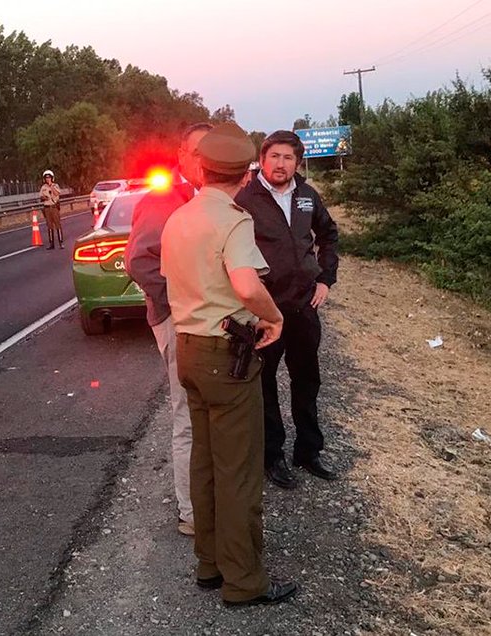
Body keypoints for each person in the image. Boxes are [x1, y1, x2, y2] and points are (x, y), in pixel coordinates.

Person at [161, 121, 298, 607]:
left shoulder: (178, 218)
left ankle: (210, 563)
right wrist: (274, 315)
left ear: (202, 169)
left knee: (205, 464)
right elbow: (244, 284)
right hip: (228, 356)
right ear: (245, 175)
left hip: (190, 352)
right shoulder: (233, 221)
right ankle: (244, 581)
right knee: (239, 470)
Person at [235, 130, 339, 489]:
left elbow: (329, 235)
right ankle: (273, 457)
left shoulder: (307, 196)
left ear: (297, 162)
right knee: (264, 385)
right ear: (263, 159)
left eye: (289, 158)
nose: (281, 164)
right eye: (275, 156)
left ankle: (308, 452)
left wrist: (325, 279)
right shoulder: (244, 198)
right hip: (264, 311)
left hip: (303, 307)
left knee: (307, 380)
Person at [125, 122, 213, 537]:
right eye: (196, 151)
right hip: (180, 321)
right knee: (187, 416)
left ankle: (210, 498)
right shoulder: (164, 200)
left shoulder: (212, 198)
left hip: (208, 321)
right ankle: (192, 513)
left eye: (210, 151)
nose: (203, 160)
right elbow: (139, 263)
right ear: (181, 155)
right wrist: (175, 307)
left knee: (209, 413)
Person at [40, 169, 64, 249]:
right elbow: (41, 197)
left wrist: (51, 186)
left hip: (54, 207)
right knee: (49, 226)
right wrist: (44, 197)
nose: (48, 179)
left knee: (58, 225)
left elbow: (57, 193)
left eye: (49, 178)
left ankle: (61, 242)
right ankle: (51, 244)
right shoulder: (43, 187)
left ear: (52, 178)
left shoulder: (55, 185)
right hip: (47, 208)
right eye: (46, 178)